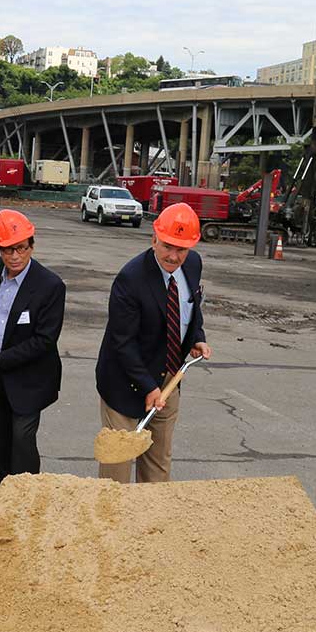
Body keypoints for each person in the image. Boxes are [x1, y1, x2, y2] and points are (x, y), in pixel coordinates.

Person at [95, 202, 211, 484]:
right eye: (168, 246)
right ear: (154, 239)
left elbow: (190, 309)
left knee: (158, 463)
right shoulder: (130, 279)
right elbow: (122, 342)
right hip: (125, 379)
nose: (173, 256)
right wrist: (148, 386)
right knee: (117, 465)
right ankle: (112, 520)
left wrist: (197, 337)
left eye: (181, 249)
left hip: (170, 376)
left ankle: (151, 520)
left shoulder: (192, 265)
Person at [0, 210, 66, 482]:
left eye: (21, 249)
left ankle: (26, 493)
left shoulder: (50, 286)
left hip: (30, 378)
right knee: (2, 437)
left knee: (22, 439)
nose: (14, 256)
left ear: (32, 246)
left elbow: (44, 341)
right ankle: (6, 489)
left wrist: (0, 359)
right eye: (7, 250)